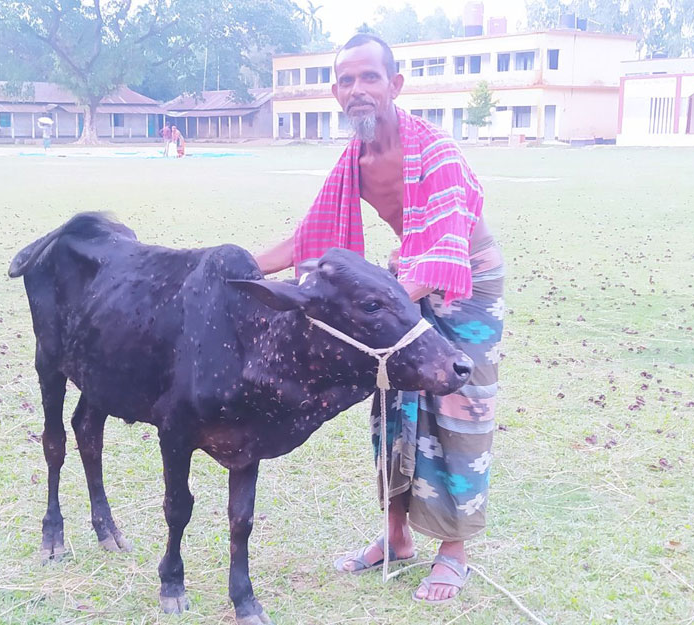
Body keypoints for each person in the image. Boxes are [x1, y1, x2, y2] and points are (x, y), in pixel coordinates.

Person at [254, 33, 503, 605]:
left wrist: (384, 300)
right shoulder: (354, 160)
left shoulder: (437, 150)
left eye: (370, 78)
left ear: (395, 85)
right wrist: (236, 268)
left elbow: (447, 252)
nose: (357, 90)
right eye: (346, 80)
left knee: (457, 406)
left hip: (468, 283)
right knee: (391, 403)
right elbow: (308, 240)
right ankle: (395, 537)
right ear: (336, 93)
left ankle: (455, 550)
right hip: (402, 280)